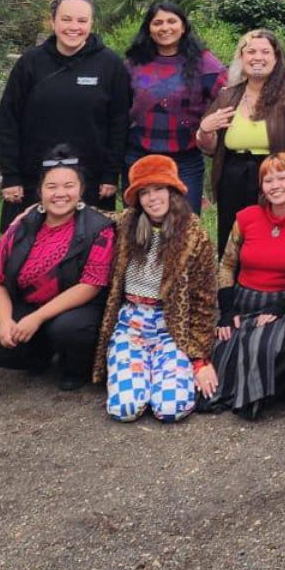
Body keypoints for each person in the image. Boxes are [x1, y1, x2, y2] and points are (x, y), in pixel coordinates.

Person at [0, 145, 114, 390]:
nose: (60, 194)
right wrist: (5, 321)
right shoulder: (21, 225)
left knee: (68, 328)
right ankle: (38, 356)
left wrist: (37, 318)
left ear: (81, 190)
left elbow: (91, 284)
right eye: (51, 187)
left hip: (75, 309)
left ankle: (76, 367)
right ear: (40, 191)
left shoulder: (98, 228)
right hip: (28, 303)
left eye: (69, 186)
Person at [0, 0, 130, 231]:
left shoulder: (110, 65)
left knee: (89, 247)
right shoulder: (30, 63)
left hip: (92, 182)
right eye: (66, 19)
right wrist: (10, 176)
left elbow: (119, 124)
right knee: (25, 247)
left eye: (82, 20)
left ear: (91, 23)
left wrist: (111, 174)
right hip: (32, 180)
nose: (73, 27)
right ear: (53, 22)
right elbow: (8, 121)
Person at [97, 156, 218, 423]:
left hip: (171, 329)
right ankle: (139, 375)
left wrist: (200, 358)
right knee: (125, 409)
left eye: (159, 189)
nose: (152, 198)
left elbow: (204, 300)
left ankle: (162, 375)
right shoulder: (127, 224)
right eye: (144, 192)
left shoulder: (194, 235)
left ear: (172, 191)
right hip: (131, 326)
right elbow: (92, 216)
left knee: (172, 408)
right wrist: (41, 208)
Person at [209, 153, 285, 420]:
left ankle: (255, 397)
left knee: (261, 346)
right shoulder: (246, 218)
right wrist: (227, 311)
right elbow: (226, 265)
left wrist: (281, 307)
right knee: (223, 347)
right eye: (268, 180)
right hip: (243, 302)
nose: (275, 185)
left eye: (282, 178)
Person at [196, 29, 285, 254]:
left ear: (276, 57)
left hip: (275, 177)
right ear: (241, 57)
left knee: (271, 243)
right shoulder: (228, 96)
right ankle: (230, 278)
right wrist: (204, 130)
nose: (258, 57)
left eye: (265, 52)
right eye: (251, 51)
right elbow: (210, 147)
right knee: (231, 241)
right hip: (232, 177)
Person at [123, 1, 226, 213]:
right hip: (139, 156)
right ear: (149, 29)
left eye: (172, 21)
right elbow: (117, 106)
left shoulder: (205, 63)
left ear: (183, 26)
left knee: (185, 225)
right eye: (157, 23)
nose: (165, 28)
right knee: (137, 224)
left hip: (185, 160)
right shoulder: (135, 63)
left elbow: (229, 97)